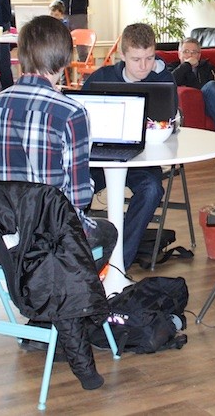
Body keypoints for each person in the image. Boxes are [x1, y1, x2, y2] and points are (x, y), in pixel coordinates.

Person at [0, 15, 117, 266]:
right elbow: (79, 198)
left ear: (22, 53)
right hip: (51, 231)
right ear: (65, 58)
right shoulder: (72, 112)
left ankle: (37, 283)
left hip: (5, 232)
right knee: (108, 232)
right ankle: (65, 289)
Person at [83, 22, 174, 269]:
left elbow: (169, 124)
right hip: (99, 158)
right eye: (136, 59)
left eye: (149, 58)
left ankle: (117, 264)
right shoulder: (101, 78)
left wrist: (161, 72)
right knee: (75, 188)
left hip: (143, 159)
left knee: (152, 190)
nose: (143, 66)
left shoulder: (162, 80)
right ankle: (79, 256)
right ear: (122, 56)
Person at [169, 36, 215, 132]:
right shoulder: (173, 68)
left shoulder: (208, 67)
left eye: (194, 52)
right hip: (191, 105)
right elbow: (170, 82)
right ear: (179, 54)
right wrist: (186, 65)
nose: (190, 55)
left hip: (209, 102)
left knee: (212, 86)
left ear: (199, 55)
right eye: (185, 51)